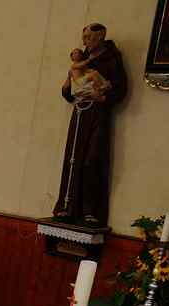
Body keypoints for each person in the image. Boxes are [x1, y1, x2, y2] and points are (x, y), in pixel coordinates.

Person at [53, 23, 127, 226]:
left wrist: (102, 97)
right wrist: (67, 84)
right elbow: (69, 92)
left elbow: (120, 89)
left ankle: (90, 210)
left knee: (92, 160)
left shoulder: (111, 59)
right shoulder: (81, 60)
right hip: (80, 114)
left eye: (90, 38)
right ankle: (67, 206)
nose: (85, 41)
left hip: (98, 114)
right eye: (84, 37)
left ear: (101, 37)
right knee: (72, 159)